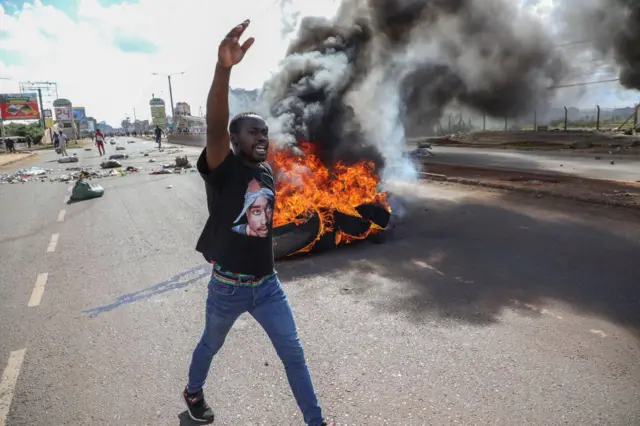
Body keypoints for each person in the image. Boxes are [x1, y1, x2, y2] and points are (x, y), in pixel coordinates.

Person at [182, 20, 333, 426]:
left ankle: (315, 422)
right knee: (210, 344)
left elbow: (262, 225)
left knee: (294, 354)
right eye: (253, 132)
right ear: (233, 139)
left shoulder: (266, 172)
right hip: (227, 288)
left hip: (267, 287)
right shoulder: (222, 167)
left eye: (265, 131)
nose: (262, 136)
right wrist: (223, 68)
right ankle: (193, 390)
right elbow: (215, 123)